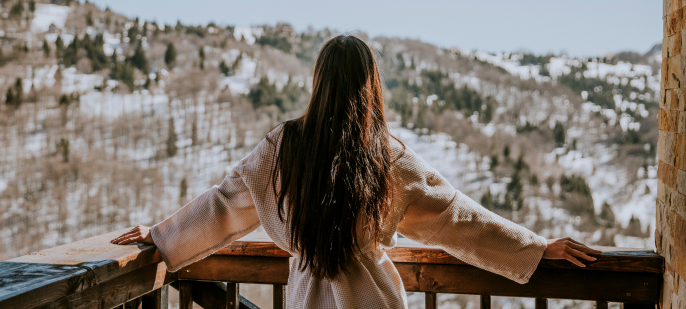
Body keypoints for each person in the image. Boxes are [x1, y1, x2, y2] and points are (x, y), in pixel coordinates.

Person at [112, 35, 601, 308]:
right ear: (371, 85)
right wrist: (535, 247)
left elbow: (225, 205)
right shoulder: (388, 157)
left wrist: (161, 237)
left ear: (318, 82)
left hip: (307, 300)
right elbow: (458, 219)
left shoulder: (283, 147)